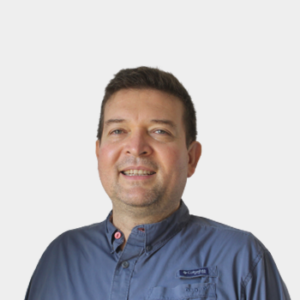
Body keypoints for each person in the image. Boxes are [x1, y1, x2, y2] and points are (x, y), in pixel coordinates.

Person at [25, 67, 290, 300]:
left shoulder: (241, 259)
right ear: (98, 153)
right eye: (118, 131)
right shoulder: (59, 257)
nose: (136, 148)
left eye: (159, 131)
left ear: (191, 158)